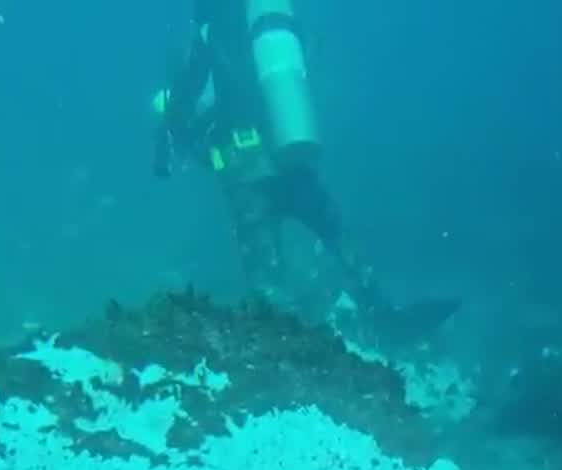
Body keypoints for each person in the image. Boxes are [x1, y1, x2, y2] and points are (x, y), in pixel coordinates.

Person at [150, 0, 456, 341]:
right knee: (336, 234)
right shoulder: (269, 24)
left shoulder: (208, 35)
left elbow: (184, 106)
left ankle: (282, 343)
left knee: (266, 271)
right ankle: (382, 313)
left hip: (244, 172)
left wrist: (171, 130)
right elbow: (308, 55)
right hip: (288, 152)